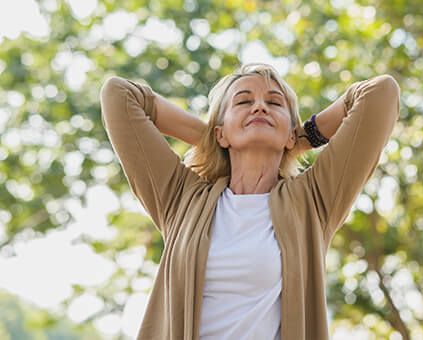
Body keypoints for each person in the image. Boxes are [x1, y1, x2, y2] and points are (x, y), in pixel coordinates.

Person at [99, 62, 400, 339]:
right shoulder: (181, 197)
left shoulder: (313, 199)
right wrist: (212, 137)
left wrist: (300, 137)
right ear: (221, 133)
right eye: (243, 101)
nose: (259, 107)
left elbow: (380, 94)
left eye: (274, 103)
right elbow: (119, 95)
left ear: (290, 134)